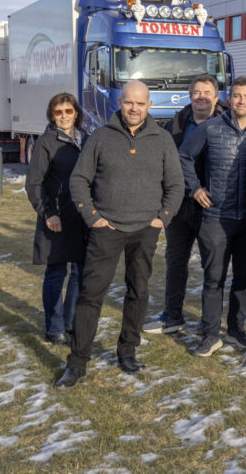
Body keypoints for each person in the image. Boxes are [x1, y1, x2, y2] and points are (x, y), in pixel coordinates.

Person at [55, 81, 182, 387]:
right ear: (120, 103)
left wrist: (162, 218)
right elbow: (78, 180)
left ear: (149, 105)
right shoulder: (101, 137)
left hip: (145, 230)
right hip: (106, 229)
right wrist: (93, 217)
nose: (134, 108)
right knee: (91, 295)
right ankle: (77, 362)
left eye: (140, 103)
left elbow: (176, 185)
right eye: (128, 102)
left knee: (138, 292)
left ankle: (127, 351)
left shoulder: (162, 139)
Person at [177, 76, 246, 356]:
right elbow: (184, 157)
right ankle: (210, 335)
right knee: (213, 280)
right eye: (237, 95)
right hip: (216, 216)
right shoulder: (211, 127)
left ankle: (236, 331)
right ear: (230, 99)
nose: (241, 101)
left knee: (242, 280)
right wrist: (195, 189)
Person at [144, 74, 227, 334]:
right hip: (179, 205)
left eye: (207, 92)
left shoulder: (226, 123)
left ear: (216, 97)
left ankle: (209, 321)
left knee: (211, 266)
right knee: (176, 261)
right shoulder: (176, 124)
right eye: (196, 92)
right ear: (190, 96)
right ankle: (172, 316)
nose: (201, 97)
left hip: (210, 206)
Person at [25, 92, 87, 346]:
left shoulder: (86, 139)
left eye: (68, 111)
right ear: (52, 116)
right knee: (56, 272)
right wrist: (48, 213)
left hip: (82, 217)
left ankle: (70, 323)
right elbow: (34, 183)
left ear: (76, 113)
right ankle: (55, 327)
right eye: (58, 112)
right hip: (57, 217)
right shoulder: (46, 142)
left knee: (80, 272)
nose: (63, 116)